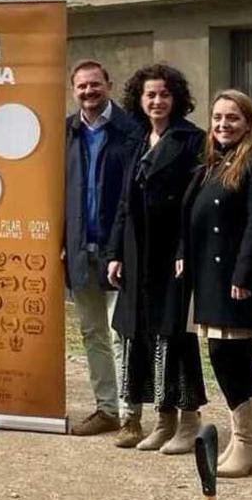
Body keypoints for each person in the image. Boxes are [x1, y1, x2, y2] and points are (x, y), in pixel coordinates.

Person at [106, 63, 206, 455]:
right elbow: (123, 205)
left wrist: (185, 250)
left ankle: (188, 420)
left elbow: (194, 203)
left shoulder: (192, 140)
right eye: (150, 94)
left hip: (171, 254)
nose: (157, 101)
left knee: (174, 337)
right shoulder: (137, 140)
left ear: (176, 97)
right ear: (140, 99)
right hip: (136, 252)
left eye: (164, 94)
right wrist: (115, 252)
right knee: (143, 337)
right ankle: (162, 421)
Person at [177, 90, 252, 476]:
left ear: (248, 123)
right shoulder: (212, 163)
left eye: (232, 118)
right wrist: (184, 251)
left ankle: (248, 443)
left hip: (232, 277)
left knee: (233, 358)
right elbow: (190, 213)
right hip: (207, 275)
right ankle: (241, 439)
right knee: (219, 355)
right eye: (217, 118)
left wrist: (245, 273)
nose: (222, 125)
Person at [63, 59, 141, 442]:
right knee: (92, 332)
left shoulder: (131, 131)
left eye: (95, 85)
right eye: (82, 87)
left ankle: (131, 414)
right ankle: (106, 409)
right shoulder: (66, 133)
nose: (89, 92)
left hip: (120, 251)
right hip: (79, 250)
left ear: (108, 84)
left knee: (121, 333)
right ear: (73, 90)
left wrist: (125, 249)